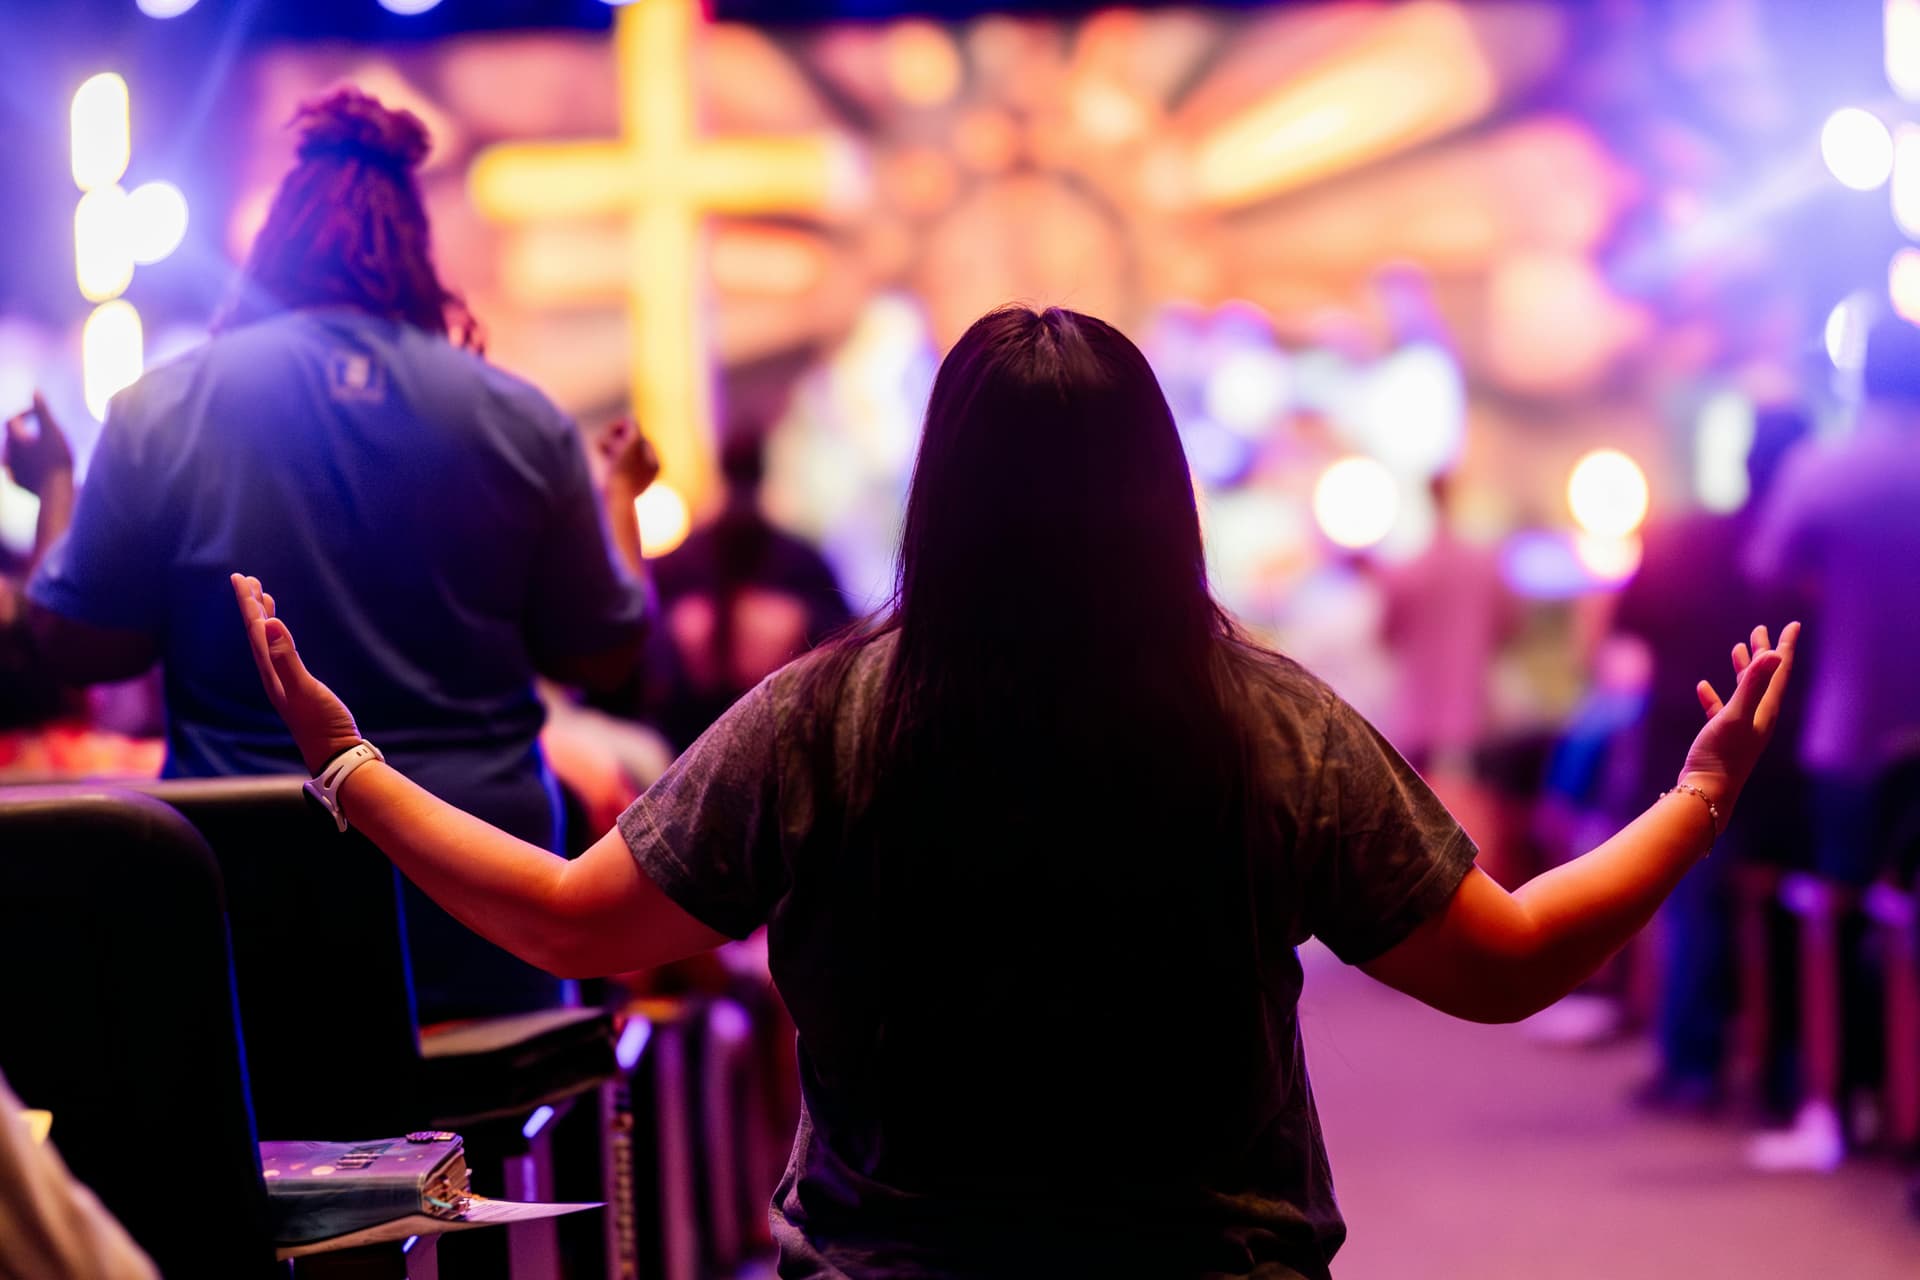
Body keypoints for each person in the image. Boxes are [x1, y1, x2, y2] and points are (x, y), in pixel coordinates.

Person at [231, 307, 1796, 1279]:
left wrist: (351, 770)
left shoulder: (823, 723)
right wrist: (1700, 796)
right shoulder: (1268, 726)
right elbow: (1507, 961)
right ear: (1158, 495)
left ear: (940, 495)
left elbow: (579, 925)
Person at [27, 88, 653, 1021]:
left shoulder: (168, 406)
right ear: (416, 249)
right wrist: (617, 499)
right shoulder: (520, 419)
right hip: (484, 921)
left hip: (254, 912)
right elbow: (605, 654)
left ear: (277, 248)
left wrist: (54, 487)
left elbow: (79, 643)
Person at [1743, 317, 1920, 1169]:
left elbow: (1768, 566)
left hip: (1852, 720)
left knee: (1838, 913)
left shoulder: (1830, 467)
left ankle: (1837, 1112)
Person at [1613, 405, 1810, 1112]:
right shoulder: (1797, 551)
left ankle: (1690, 1065)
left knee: (1688, 900)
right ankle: (1778, 1075)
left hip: (1676, 742)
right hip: (1783, 763)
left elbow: (1626, 629)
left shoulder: (1683, 535)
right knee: (1774, 917)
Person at [645, 429, 851, 751]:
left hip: (688, 747)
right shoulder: (804, 559)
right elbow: (844, 648)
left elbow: (645, 663)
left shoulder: (675, 565)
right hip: (786, 741)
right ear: (764, 471)